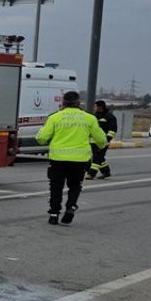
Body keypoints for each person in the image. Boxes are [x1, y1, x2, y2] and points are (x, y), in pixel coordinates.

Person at [37, 91, 107, 225]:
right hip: (79, 160)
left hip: (57, 159)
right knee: (75, 185)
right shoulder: (89, 118)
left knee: (56, 186)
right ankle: (71, 207)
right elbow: (101, 140)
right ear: (78, 102)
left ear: (63, 103)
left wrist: (46, 139)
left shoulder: (55, 117)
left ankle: (54, 214)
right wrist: (100, 144)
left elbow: (41, 138)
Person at [88, 100, 118, 179]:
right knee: (100, 157)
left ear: (100, 107)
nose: (94, 108)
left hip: (103, 141)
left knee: (97, 157)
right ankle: (106, 172)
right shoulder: (93, 117)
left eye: (95, 106)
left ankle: (91, 174)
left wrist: (107, 140)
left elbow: (112, 130)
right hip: (92, 141)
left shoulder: (110, 117)